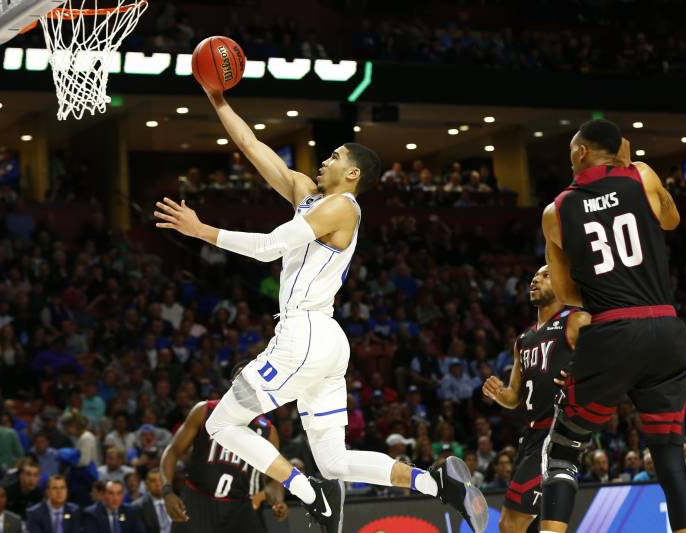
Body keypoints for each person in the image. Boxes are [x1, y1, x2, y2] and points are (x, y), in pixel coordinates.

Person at [154, 84, 488, 533]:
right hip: (325, 340)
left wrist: (201, 231)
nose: (325, 159)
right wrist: (218, 100)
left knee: (220, 425)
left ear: (353, 174)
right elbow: (251, 145)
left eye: (334, 156)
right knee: (333, 462)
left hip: (305, 335)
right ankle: (435, 484)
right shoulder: (307, 195)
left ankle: (309, 494)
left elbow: (271, 247)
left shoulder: (343, 208)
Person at [539, 119, 686, 533]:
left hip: (612, 330)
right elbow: (671, 219)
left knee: (563, 449)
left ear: (580, 152)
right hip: (665, 328)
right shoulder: (642, 175)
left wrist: (604, 288)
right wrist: (632, 168)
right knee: (669, 457)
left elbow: (565, 292)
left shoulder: (556, 210)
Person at [482, 265, 590, 533]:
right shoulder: (523, 339)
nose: (535, 279)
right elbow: (514, 397)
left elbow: (606, 362)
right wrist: (498, 393)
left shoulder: (575, 320)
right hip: (529, 437)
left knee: (510, 523)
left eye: (545, 275)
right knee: (537, 525)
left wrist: (579, 377)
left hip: (555, 433)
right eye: (534, 276)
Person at [159, 361, 287, 533]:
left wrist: (278, 500)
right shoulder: (204, 411)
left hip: (239, 508)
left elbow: (274, 480)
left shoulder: (268, 431)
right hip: (198, 501)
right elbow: (172, 452)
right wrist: (167, 491)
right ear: (233, 383)